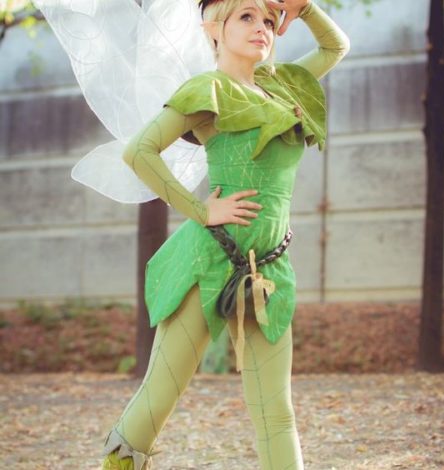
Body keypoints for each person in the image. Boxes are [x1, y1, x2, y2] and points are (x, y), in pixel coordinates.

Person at [101, 0, 350, 468]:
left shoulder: (283, 85)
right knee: (159, 397)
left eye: (269, 20)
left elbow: (335, 47)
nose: (262, 28)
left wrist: (304, 8)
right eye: (246, 17)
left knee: (277, 413)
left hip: (269, 270)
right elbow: (139, 152)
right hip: (209, 260)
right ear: (213, 29)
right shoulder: (207, 90)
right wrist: (201, 209)